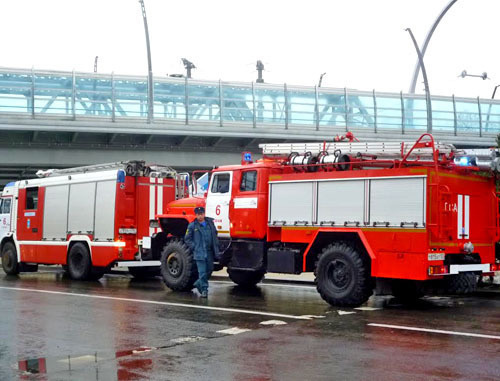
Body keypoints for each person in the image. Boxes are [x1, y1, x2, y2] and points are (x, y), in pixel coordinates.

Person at [184, 206, 220, 298]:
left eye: (201, 214)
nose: (200, 216)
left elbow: (215, 234)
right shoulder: (192, 226)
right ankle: (204, 290)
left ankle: (199, 282)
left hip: (209, 252)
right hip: (199, 252)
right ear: (196, 215)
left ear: (204, 214)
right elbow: (187, 239)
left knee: (210, 269)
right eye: (198, 214)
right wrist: (195, 247)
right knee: (202, 272)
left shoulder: (210, 223)